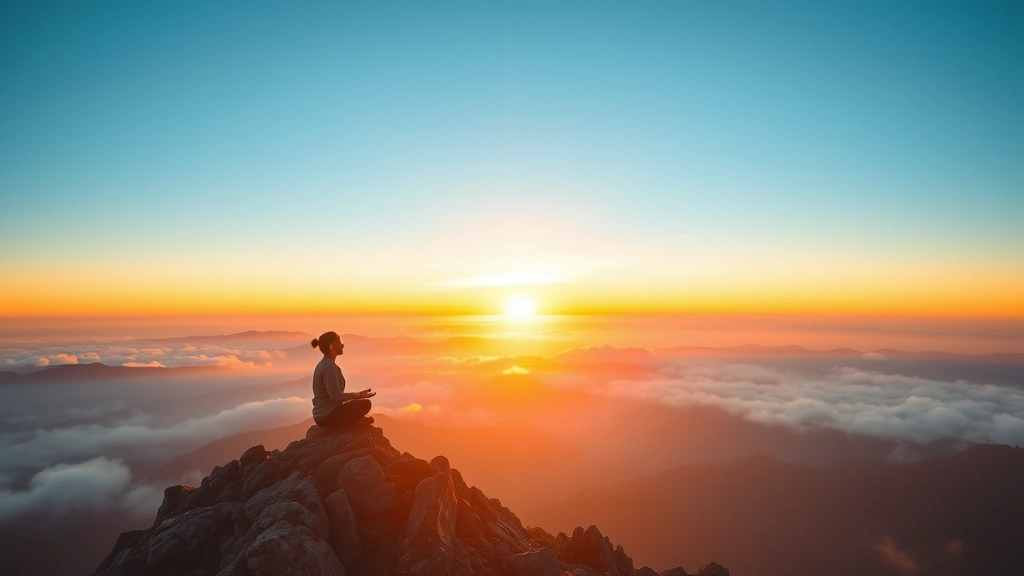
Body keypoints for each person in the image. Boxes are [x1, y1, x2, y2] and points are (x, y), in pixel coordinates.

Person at [310, 331, 375, 427]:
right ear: (332, 346)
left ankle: (355, 420)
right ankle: (354, 423)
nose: (342, 345)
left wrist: (359, 394)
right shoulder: (329, 367)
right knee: (366, 404)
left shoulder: (325, 364)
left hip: (324, 414)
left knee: (359, 404)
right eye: (339, 342)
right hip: (327, 416)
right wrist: (359, 395)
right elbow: (335, 397)